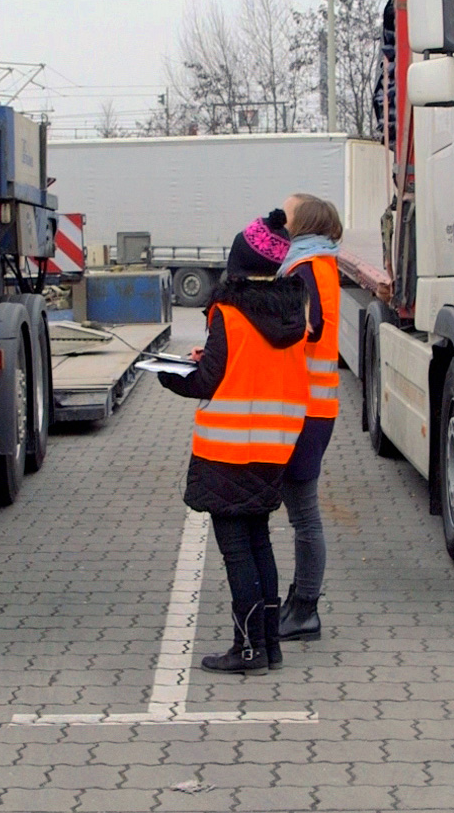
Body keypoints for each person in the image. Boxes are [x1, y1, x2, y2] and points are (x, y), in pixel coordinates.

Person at [158, 210, 308, 675]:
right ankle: (269, 646)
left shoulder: (228, 311)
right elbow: (251, 363)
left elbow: (208, 380)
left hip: (227, 449)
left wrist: (168, 374)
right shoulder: (289, 311)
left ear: (239, 261)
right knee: (259, 542)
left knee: (237, 552)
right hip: (273, 446)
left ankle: (248, 650)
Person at [276, 193, 343, 643]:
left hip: (305, 410)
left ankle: (305, 610)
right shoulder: (319, 264)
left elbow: (308, 326)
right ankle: (299, 602)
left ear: (304, 222)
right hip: (314, 408)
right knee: (302, 514)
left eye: (286, 213)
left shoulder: (305, 268)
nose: (279, 219)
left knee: (304, 516)